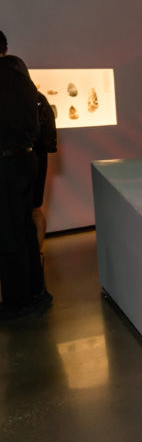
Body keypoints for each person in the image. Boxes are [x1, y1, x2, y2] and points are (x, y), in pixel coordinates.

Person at [0, 53, 47, 320]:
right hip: (26, 159)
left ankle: (17, 302)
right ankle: (35, 291)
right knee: (25, 227)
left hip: (7, 163)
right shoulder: (21, 78)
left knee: (9, 232)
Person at [1, 55, 57, 258]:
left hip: (28, 162)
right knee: (30, 212)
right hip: (31, 162)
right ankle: (35, 258)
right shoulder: (33, 97)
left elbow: (44, 136)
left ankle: (35, 256)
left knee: (30, 213)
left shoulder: (33, 99)